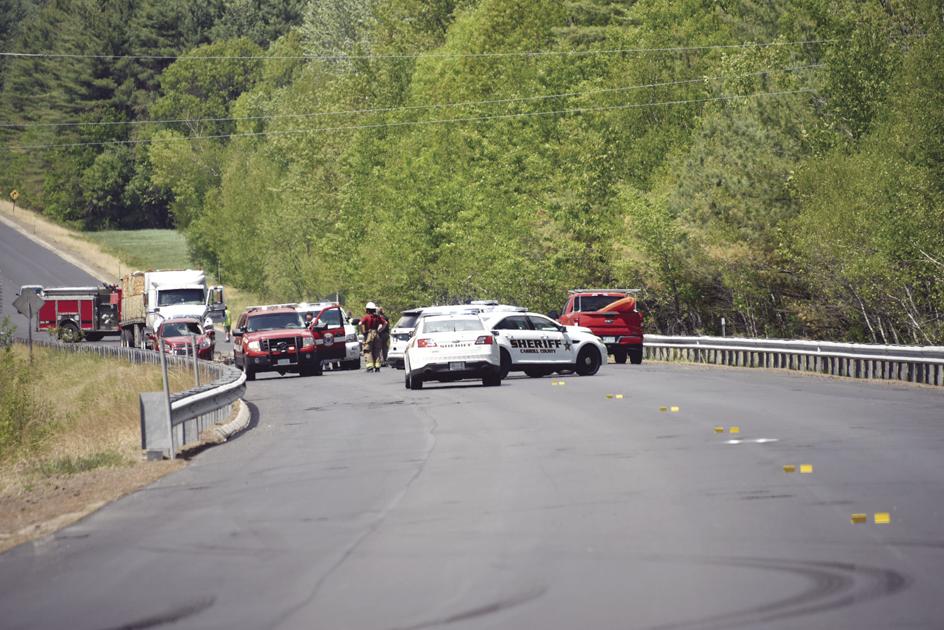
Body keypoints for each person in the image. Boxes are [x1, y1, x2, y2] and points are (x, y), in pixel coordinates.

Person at [359, 302, 385, 372]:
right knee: (377, 351)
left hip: (369, 334)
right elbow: (385, 323)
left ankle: (370, 367)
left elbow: (360, 323)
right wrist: (380, 330)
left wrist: (362, 332)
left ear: (367, 309)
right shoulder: (378, 317)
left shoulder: (366, 317)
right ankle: (377, 367)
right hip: (376, 334)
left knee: (368, 350)